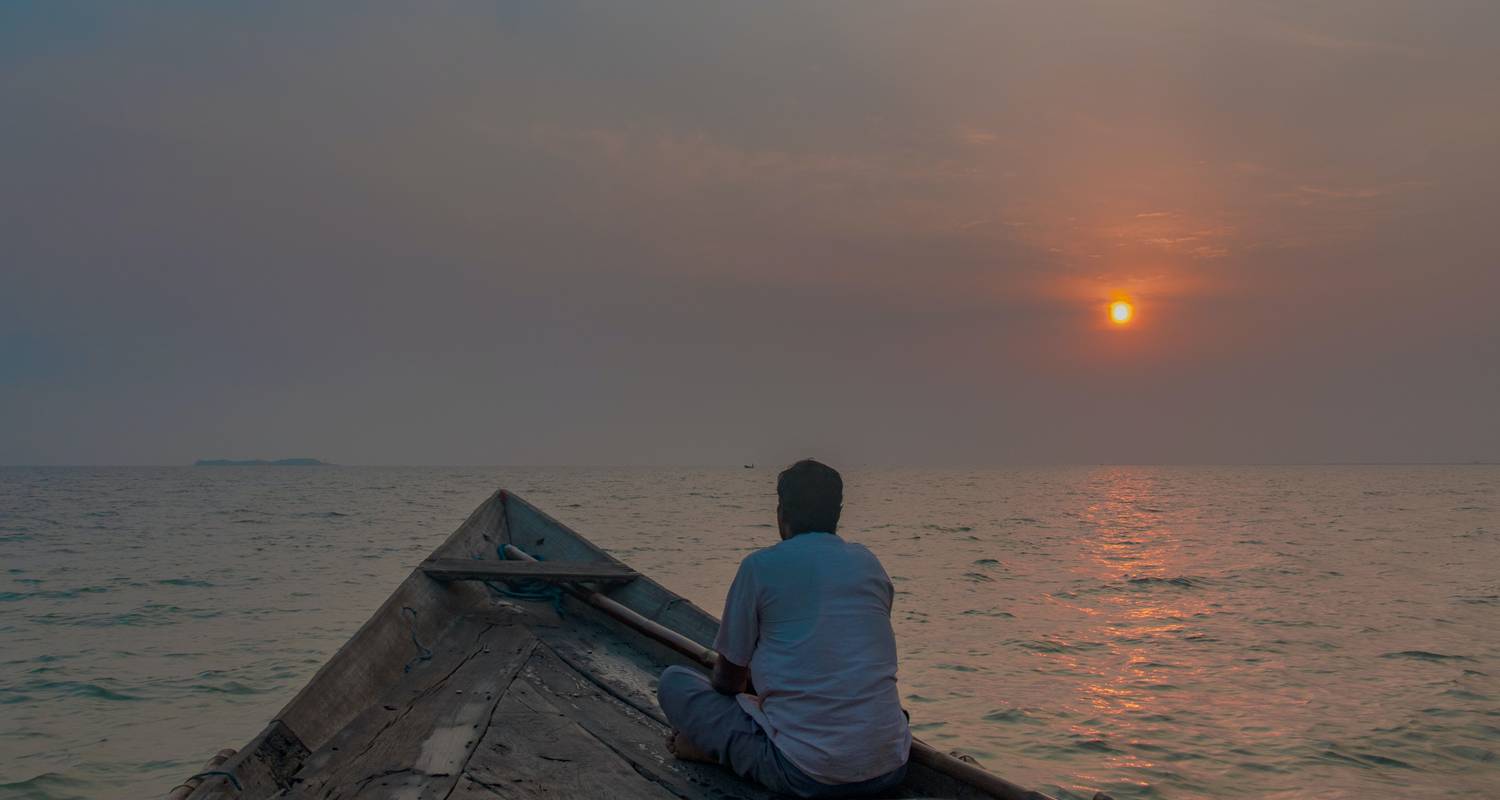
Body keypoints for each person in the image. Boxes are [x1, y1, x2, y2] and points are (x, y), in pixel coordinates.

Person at [657, 459, 911, 798]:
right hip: (893, 764)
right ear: (838, 513)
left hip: (807, 775)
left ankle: (712, 751)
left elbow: (727, 681)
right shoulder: (868, 563)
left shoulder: (759, 567)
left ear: (781, 512)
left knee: (674, 682)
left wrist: (752, 691)